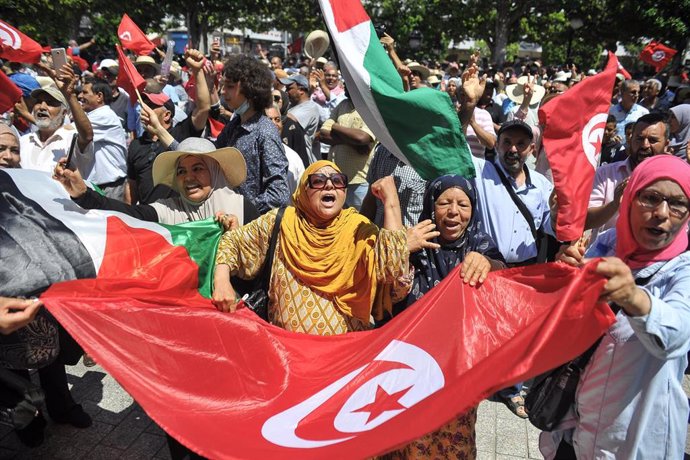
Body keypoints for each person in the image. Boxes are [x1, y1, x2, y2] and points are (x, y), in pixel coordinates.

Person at [541, 154, 690, 459]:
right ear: (629, 198)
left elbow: (675, 336)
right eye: (651, 198)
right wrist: (566, 276)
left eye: (678, 204)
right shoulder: (607, 243)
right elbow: (570, 321)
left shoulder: (683, 270)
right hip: (573, 424)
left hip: (631, 440)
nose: (662, 213)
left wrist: (634, 298)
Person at [212, 160, 409, 335]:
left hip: (344, 360)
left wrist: (391, 203)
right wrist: (222, 281)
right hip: (287, 356)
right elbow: (232, 243)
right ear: (304, 190)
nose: (329, 185)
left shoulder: (359, 229)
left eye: (338, 180)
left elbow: (394, 276)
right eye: (318, 180)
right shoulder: (281, 222)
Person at [385, 175, 506, 459]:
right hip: (411, 367)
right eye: (444, 203)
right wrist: (403, 246)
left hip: (458, 373)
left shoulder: (479, 242)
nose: (454, 212)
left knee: (455, 445)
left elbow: (506, 281)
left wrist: (488, 263)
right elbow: (391, 290)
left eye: (463, 204)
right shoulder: (416, 240)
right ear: (430, 205)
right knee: (410, 444)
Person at [54, 137, 258, 227]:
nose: (188, 178)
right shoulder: (167, 211)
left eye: (198, 169)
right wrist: (83, 193)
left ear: (215, 173)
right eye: (181, 171)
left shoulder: (242, 209)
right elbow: (128, 213)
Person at [216, 54, 290, 214]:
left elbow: (279, 194)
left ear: (249, 89)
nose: (223, 92)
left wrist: (242, 210)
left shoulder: (265, 131)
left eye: (229, 86)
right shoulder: (233, 126)